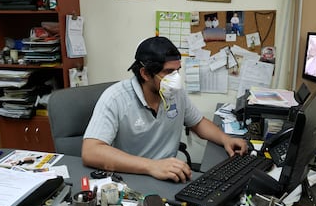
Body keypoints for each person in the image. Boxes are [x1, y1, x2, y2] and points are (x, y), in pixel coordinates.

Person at [82, 36, 249, 183]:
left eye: (177, 71)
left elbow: (197, 122)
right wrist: (152, 166)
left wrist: (225, 139)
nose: (176, 78)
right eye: (169, 72)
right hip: (130, 176)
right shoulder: (115, 98)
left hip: (167, 175)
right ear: (145, 74)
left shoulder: (175, 92)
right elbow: (91, 151)